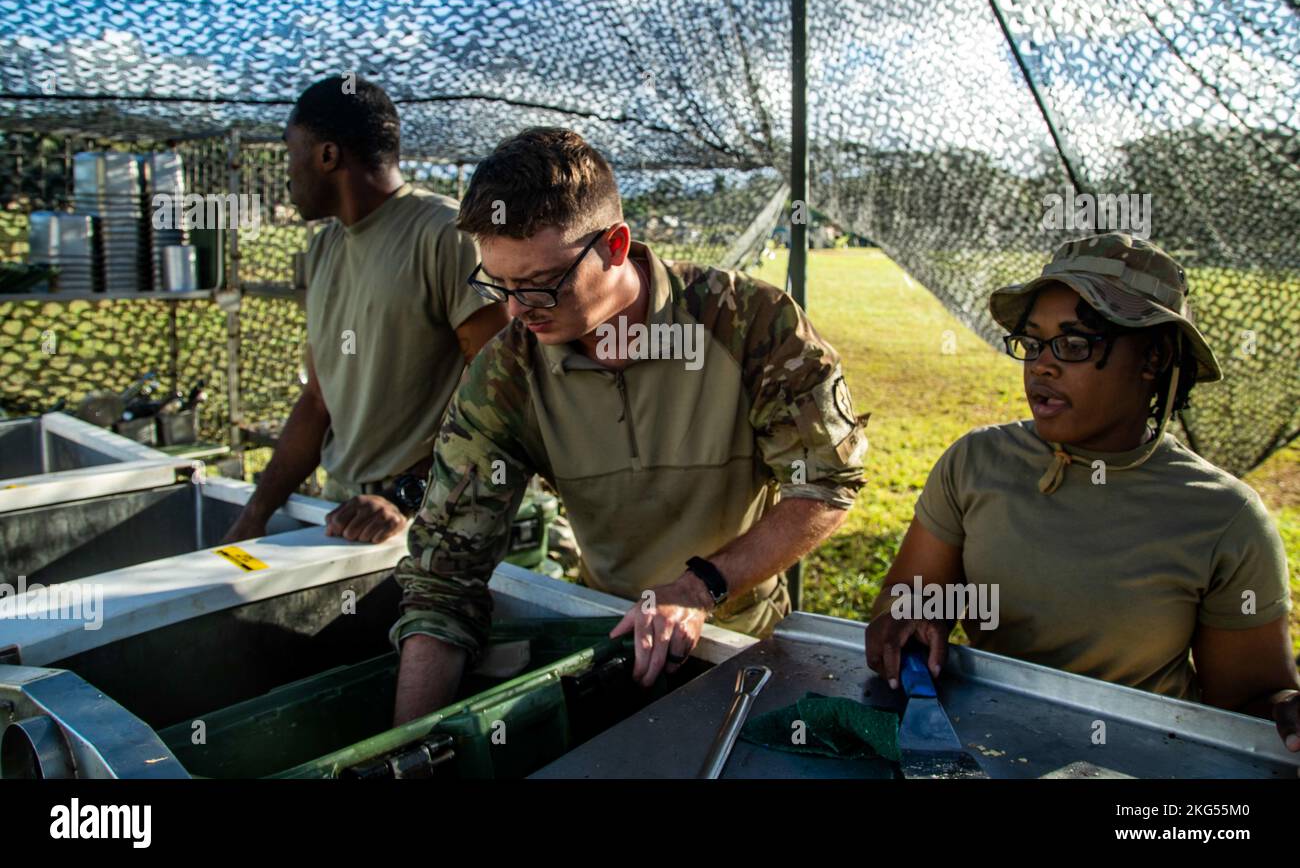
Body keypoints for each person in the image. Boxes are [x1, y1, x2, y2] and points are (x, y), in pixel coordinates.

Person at [391, 127, 868, 723]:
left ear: (615, 245)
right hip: (608, 642)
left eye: (540, 285)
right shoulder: (506, 373)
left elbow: (825, 482)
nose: (516, 311)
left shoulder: (750, 324)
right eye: (500, 285)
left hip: (744, 647)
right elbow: (446, 576)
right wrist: (407, 746)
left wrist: (699, 589)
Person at [866, 232, 1298, 752]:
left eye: (1074, 344)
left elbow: (1249, 708)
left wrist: (1284, 712)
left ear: (1153, 357)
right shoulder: (975, 463)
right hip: (983, 751)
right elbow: (909, 601)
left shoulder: (1224, 519)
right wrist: (908, 623)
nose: (1041, 366)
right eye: (1033, 342)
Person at [223, 76, 507, 543]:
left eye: (290, 152)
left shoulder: (444, 235)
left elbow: (498, 393)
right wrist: (254, 515)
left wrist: (404, 497)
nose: (287, 172)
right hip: (345, 508)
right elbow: (318, 401)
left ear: (327, 156)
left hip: (433, 512)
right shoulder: (325, 249)